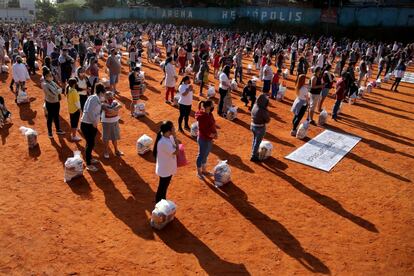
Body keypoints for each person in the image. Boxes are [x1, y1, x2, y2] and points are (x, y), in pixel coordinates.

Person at [81, 83, 106, 172]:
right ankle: (88, 164)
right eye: (104, 93)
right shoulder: (94, 99)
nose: (104, 95)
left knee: (90, 143)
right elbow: (89, 111)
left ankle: (90, 158)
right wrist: (94, 122)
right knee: (90, 143)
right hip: (88, 124)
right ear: (101, 92)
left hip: (90, 124)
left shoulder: (94, 98)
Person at [153, 121, 179, 203]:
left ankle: (162, 202)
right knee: (162, 187)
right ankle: (158, 205)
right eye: (173, 128)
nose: (174, 129)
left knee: (164, 187)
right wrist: (175, 138)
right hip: (165, 170)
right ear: (168, 131)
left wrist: (174, 139)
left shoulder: (167, 137)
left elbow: (174, 147)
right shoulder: (163, 142)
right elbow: (176, 151)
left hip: (167, 167)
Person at [195, 100, 217, 179]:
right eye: (212, 104)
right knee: (201, 155)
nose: (213, 106)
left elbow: (213, 125)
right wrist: (213, 135)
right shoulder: (202, 116)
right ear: (208, 107)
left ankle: (204, 170)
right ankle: (199, 172)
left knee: (205, 155)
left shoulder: (209, 114)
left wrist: (215, 133)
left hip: (209, 139)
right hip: (203, 139)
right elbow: (203, 129)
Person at [42, 70, 65, 138]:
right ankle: (50, 132)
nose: (51, 76)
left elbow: (59, 89)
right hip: (50, 103)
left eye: (51, 75)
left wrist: (57, 91)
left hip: (56, 102)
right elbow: (53, 94)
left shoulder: (52, 82)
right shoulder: (45, 85)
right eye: (49, 75)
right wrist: (58, 91)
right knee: (50, 118)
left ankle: (58, 129)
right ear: (45, 77)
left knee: (56, 116)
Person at [101, 91, 123, 159]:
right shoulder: (103, 104)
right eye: (108, 96)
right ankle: (106, 152)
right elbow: (108, 112)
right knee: (106, 138)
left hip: (114, 122)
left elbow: (120, 105)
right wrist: (115, 111)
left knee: (115, 137)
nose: (110, 97)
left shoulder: (115, 102)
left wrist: (112, 111)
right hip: (106, 123)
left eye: (110, 96)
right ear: (105, 97)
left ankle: (116, 150)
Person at [250, 93, 270, 162]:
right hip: (260, 128)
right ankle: (254, 156)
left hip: (252, 125)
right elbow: (267, 120)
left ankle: (254, 152)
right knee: (257, 142)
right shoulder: (263, 110)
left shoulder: (255, 105)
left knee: (255, 139)